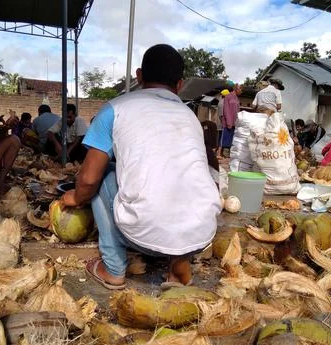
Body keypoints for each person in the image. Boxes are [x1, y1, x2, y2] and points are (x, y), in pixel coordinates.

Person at [61, 44, 221, 290]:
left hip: (143, 237)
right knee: (178, 173)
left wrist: (76, 197)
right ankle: (179, 261)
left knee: (103, 173)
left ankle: (113, 268)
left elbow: (89, 179)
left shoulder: (115, 108)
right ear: (179, 85)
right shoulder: (190, 116)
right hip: (200, 236)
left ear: (138, 75)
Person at [219, 84, 242, 157]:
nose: (241, 91)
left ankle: (228, 152)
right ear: (236, 89)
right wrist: (229, 122)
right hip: (228, 122)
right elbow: (226, 110)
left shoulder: (237, 98)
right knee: (226, 137)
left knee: (232, 138)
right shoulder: (228, 97)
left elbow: (238, 110)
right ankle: (222, 153)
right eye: (240, 89)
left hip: (235, 122)